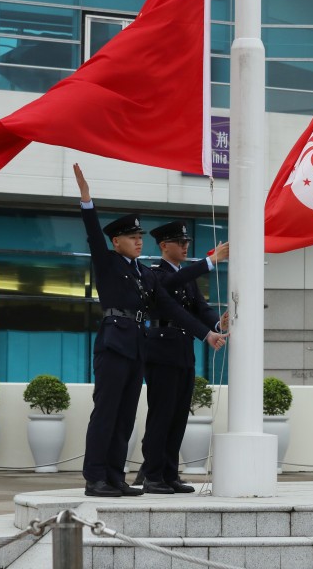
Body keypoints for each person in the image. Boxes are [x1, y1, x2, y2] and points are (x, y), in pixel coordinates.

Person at [73, 164, 227, 497]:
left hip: (137, 346)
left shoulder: (145, 273)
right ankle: (95, 477)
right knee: (107, 412)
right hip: (114, 342)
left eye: (141, 237)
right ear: (116, 242)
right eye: (132, 237)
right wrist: (87, 201)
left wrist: (206, 334)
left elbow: (171, 308)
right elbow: (92, 236)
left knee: (126, 415)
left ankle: (115, 477)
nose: (139, 241)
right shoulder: (108, 262)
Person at [136, 221, 229, 494]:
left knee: (178, 416)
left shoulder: (185, 278)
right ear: (164, 246)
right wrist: (208, 262)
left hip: (182, 351)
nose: (185, 245)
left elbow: (200, 307)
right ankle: (152, 475)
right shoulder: (156, 273)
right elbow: (169, 285)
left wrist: (217, 325)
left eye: (186, 241)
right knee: (161, 414)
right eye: (179, 242)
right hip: (162, 350)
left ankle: (168, 474)